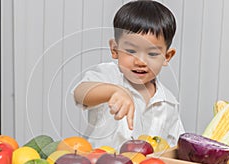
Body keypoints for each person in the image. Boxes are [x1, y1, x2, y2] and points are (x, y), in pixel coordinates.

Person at [72, 0, 185, 149]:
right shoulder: (108, 76)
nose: (140, 61)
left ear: (167, 56)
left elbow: (175, 147)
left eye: (152, 54)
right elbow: (80, 94)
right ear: (115, 50)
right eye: (131, 51)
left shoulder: (168, 102)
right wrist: (113, 91)